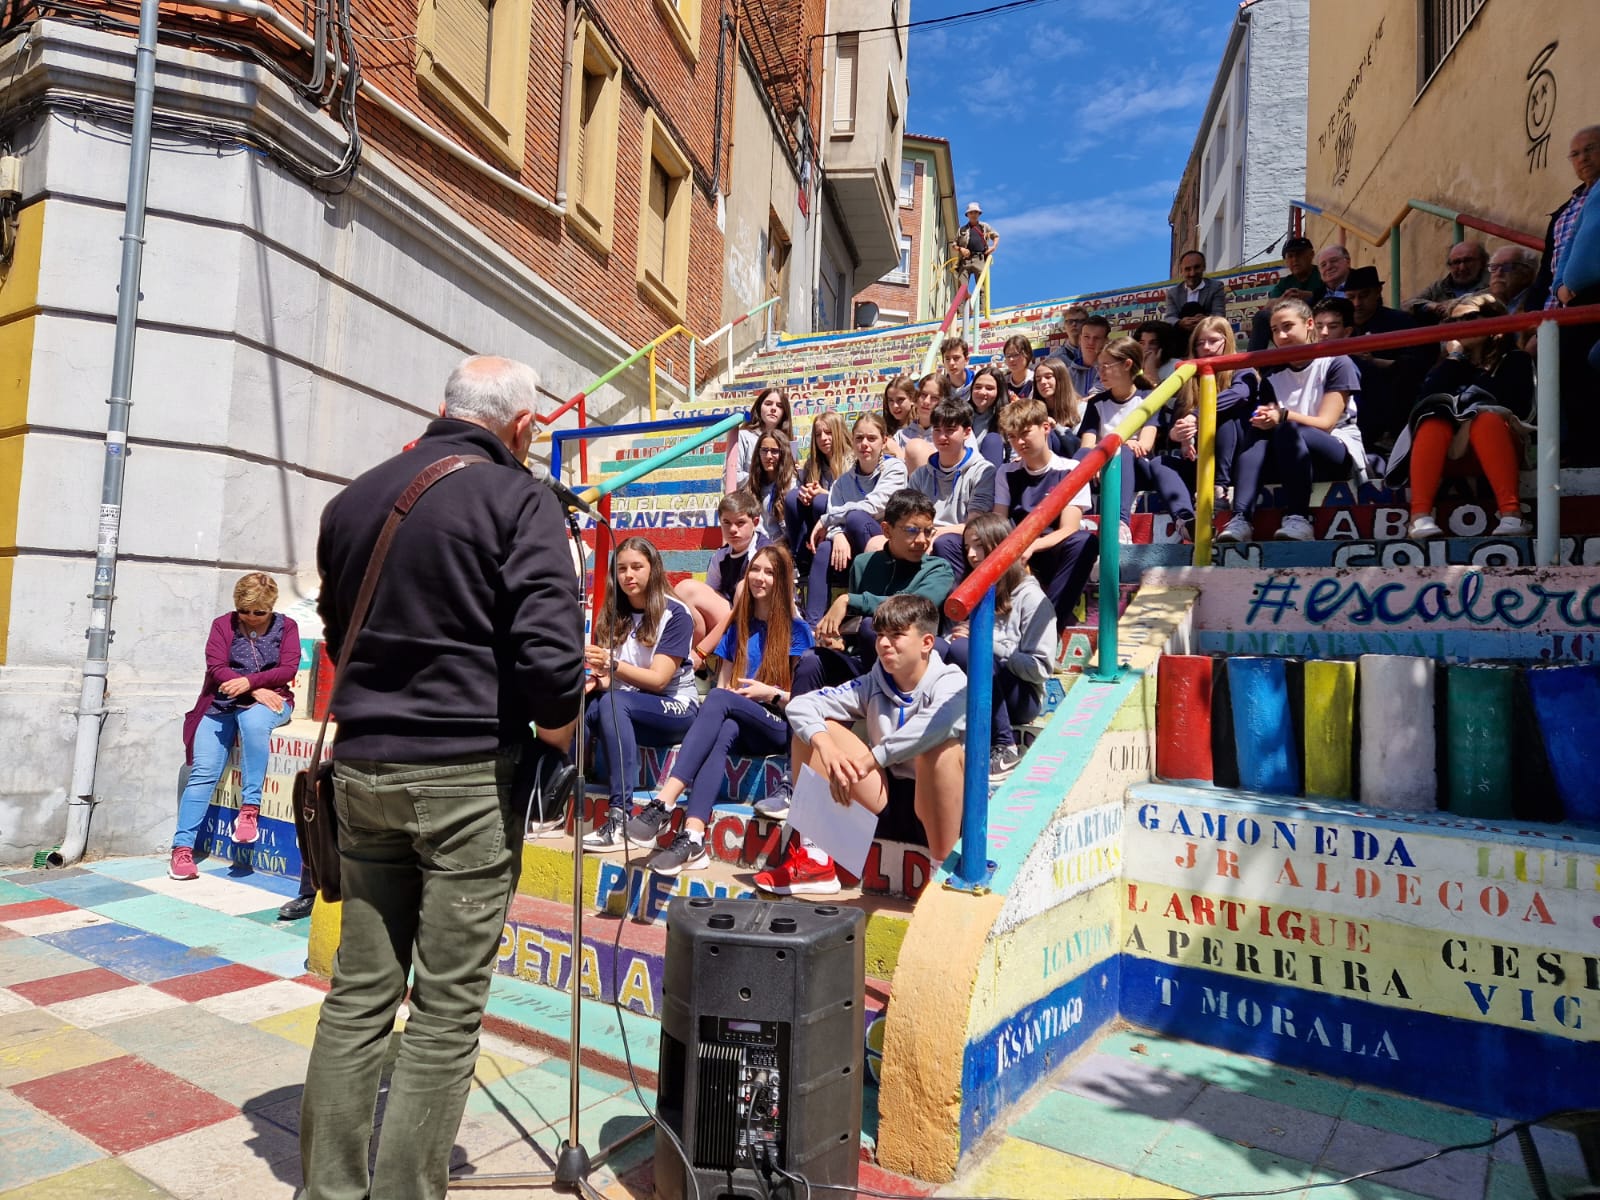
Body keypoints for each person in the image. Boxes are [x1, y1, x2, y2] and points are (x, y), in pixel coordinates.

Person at [301, 354, 583, 1200]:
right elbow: (550, 657)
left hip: (362, 766)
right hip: (463, 772)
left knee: (357, 994)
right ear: (523, 428)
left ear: (442, 409)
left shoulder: (352, 499)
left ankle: (327, 1190)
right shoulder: (519, 497)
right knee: (447, 1009)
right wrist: (560, 728)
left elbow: (336, 622)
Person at [757, 594, 966, 895]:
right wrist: (825, 746)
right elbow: (801, 706)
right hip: (884, 801)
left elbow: (935, 726)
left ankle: (940, 875)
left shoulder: (952, 682)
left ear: (927, 642)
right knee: (816, 731)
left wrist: (874, 758)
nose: (884, 644)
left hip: (938, 811)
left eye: (896, 636)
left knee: (939, 750)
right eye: (881, 635)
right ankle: (815, 859)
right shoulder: (874, 681)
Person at [627, 544, 815, 873]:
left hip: (778, 724)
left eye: (770, 572)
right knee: (722, 725)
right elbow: (726, 685)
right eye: (755, 569)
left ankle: (665, 800)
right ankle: (694, 836)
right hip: (741, 721)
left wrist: (767, 692)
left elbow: (801, 704)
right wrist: (737, 697)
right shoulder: (737, 629)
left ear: (782, 581)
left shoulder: (796, 631)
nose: (759, 577)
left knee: (717, 700)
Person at [170, 572, 299, 881]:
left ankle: (249, 811)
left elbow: (288, 668)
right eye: (245, 611)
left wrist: (251, 684)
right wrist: (251, 687)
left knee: (253, 722)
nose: (251, 618)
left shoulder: (287, 627)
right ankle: (181, 849)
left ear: (271, 608)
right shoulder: (222, 625)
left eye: (259, 612)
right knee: (203, 771)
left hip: (271, 702)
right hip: (221, 703)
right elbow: (216, 668)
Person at [580, 537, 702, 851]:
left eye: (637, 567)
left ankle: (620, 818)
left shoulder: (675, 613)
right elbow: (615, 678)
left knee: (613, 702)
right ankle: (557, 797)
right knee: (578, 702)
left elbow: (659, 680)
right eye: (621, 569)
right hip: (627, 703)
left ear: (653, 569)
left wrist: (612, 665)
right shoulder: (613, 612)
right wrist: (597, 681)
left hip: (675, 706)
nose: (628, 575)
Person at [1385, 293, 1534, 540]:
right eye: (1453, 322)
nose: (1460, 326)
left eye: (1470, 318)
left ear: (1494, 321)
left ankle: (1511, 514)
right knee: (1431, 420)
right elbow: (1424, 402)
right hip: (1449, 452)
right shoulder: (1451, 364)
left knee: (1486, 418)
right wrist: (1454, 358)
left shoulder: (1515, 360)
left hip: (1499, 447)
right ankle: (1419, 517)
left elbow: (1508, 402)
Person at [1218, 299, 1365, 544]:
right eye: (1275, 330)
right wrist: (1268, 419)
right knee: (1257, 429)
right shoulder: (1272, 376)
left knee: (1285, 427)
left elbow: (1327, 423)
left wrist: (1283, 415)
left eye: (1287, 326)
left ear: (1309, 325)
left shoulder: (1337, 362)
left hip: (1337, 449)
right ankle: (1241, 518)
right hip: (1291, 458)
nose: (1281, 335)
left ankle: (1299, 517)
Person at [796, 488, 956, 695]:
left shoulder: (938, 568)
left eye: (928, 531)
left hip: (915, 665)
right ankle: (797, 727)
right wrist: (838, 639)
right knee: (812, 660)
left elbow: (914, 607)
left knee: (873, 627)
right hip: (868, 664)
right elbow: (855, 626)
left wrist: (849, 599)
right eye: (912, 531)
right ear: (887, 531)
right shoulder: (864, 564)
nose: (922, 540)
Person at [945, 514, 1055, 779]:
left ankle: (1004, 746)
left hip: (1022, 694)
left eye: (979, 545)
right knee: (939, 648)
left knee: (966, 651)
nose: (972, 555)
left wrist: (986, 644)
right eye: (967, 547)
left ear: (999, 545)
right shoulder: (974, 591)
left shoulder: (1031, 598)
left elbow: (1040, 668)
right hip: (980, 688)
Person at [1077, 336, 1196, 544]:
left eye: (1106, 366)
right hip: (1100, 471)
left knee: (1123, 452)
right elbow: (1087, 445)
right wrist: (1100, 455)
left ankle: (1120, 523)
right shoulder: (1097, 403)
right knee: (1082, 455)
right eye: (1099, 366)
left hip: (1136, 468)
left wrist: (1117, 447)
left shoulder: (1148, 397)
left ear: (1127, 365)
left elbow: (1145, 445)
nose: (1100, 372)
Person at [994, 400, 1098, 628]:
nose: (1019, 442)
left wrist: (1033, 545)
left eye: (1025, 433)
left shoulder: (1070, 469)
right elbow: (999, 520)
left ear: (1045, 428)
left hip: (1051, 548)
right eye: (1012, 437)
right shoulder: (1006, 472)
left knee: (1084, 542)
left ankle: (1047, 622)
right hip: (1015, 549)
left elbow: (1069, 528)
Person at [805, 413, 908, 623]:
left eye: (872, 438)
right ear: (852, 441)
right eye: (859, 438)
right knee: (825, 548)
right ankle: (813, 625)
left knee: (856, 518)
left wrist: (828, 519)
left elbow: (875, 505)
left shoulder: (895, 469)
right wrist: (837, 535)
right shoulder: (841, 483)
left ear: (884, 441)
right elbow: (834, 518)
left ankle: (870, 609)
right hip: (851, 552)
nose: (865, 444)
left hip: (886, 551)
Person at [1167, 316, 1260, 513]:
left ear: (1227, 341)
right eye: (1200, 343)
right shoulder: (1189, 379)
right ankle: (1184, 518)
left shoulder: (1243, 368)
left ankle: (1219, 488)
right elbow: (1176, 423)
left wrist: (1197, 415)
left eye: (1213, 341)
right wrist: (1179, 434)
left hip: (1240, 457)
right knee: (1160, 463)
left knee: (1223, 415)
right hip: (1199, 458)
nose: (1207, 348)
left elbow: (1240, 394)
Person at [908, 397, 997, 577]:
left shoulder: (983, 471)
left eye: (950, 430)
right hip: (924, 536)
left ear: (967, 432)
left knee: (945, 542)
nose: (942, 437)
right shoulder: (920, 475)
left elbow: (974, 524)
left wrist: (934, 534)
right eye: (937, 430)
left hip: (961, 541)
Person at [677, 492, 768, 664]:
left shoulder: (763, 554)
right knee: (684, 591)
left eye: (740, 523)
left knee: (741, 589)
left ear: (755, 523)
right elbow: (708, 600)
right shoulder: (720, 556)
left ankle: (697, 659)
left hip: (762, 620)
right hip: (732, 618)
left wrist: (702, 650)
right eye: (726, 523)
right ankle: (694, 664)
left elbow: (742, 607)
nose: (733, 530)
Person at [1346, 264, 1427, 451]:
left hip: (1391, 400)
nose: (1357, 303)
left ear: (1377, 292)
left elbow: (1416, 364)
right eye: (1351, 297)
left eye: (1363, 295)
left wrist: (1374, 362)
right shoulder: (1341, 326)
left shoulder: (1400, 322)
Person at [1529, 125, 1600, 312]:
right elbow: (1549, 267)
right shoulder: (1564, 212)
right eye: (1575, 154)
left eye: (1590, 149)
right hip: (1556, 309)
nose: (1583, 158)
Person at [785, 411, 852, 568]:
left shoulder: (853, 461)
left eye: (828, 433)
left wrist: (826, 495)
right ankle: (801, 559)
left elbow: (855, 502)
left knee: (820, 501)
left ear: (839, 432)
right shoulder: (812, 466)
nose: (823, 438)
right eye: (818, 434)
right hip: (817, 521)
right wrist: (806, 495)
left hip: (845, 523)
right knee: (793, 497)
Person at [1250, 237, 1325, 350]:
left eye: (1299, 254)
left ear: (1311, 254)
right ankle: (1252, 363)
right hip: (1287, 327)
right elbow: (1268, 307)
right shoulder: (1285, 282)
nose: (1295, 260)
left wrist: (1308, 296)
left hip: (1317, 327)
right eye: (1290, 256)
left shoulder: (1322, 274)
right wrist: (1283, 299)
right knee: (1262, 317)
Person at [723, 387, 794, 491]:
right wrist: (766, 479)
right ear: (759, 407)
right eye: (768, 404)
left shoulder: (789, 442)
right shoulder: (743, 436)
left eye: (779, 406)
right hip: (749, 501)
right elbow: (730, 478)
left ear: (784, 413)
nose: (773, 408)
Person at [1405, 240, 1490, 323]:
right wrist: (1431, 306)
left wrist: (1455, 304)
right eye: (1456, 262)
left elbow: (1494, 295)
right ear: (1449, 266)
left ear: (1482, 262)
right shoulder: (1439, 287)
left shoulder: (1493, 281)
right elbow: (1407, 304)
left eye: (1468, 261)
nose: (1462, 267)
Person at [742, 429, 797, 546]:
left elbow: (794, 534)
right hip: (754, 547)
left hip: (778, 549)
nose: (768, 456)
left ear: (783, 453)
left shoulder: (792, 485)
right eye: (764, 450)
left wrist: (782, 520)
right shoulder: (752, 484)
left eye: (774, 451)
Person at [1164, 250, 1227, 335]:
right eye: (1187, 269)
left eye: (1196, 267)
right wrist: (1180, 322)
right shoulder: (1173, 293)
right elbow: (1169, 318)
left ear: (1204, 267)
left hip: (1207, 333)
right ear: (1181, 271)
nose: (1192, 273)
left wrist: (1205, 320)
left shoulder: (1216, 287)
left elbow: (1219, 315)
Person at [1032, 357, 1083, 457]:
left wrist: (1056, 427)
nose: (1042, 382)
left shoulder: (1081, 407)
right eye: (1038, 379)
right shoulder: (1033, 410)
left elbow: (1080, 447)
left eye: (1048, 377)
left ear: (1061, 378)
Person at [967, 363, 1010, 466]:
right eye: (978, 387)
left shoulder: (1008, 418)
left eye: (989, 388)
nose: (982, 392)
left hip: (993, 473)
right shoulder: (960, 414)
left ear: (999, 391)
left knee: (993, 440)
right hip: (962, 472)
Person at [951, 201, 999, 288]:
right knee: (962, 286)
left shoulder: (984, 227)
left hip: (979, 259)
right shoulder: (962, 230)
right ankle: (962, 301)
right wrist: (961, 249)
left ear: (979, 214)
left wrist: (994, 247)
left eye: (976, 212)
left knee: (982, 286)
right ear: (967, 215)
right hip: (965, 260)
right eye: (971, 213)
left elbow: (996, 236)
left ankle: (981, 302)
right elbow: (954, 244)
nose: (973, 215)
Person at [1487, 245, 1539, 313]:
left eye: (1507, 267)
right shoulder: (1477, 300)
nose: (1498, 273)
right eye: (1494, 267)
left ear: (1527, 275)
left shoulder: (1540, 302)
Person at [1071, 315, 1110, 398]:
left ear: (1106, 341)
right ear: (1079, 339)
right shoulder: (1068, 373)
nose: (1091, 342)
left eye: (1097, 338)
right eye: (1086, 337)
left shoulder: (1111, 370)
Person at [880, 373, 917, 461]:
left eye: (900, 400)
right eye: (891, 400)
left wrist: (896, 451)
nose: (895, 406)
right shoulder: (884, 430)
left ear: (912, 399)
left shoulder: (921, 427)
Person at [999, 334, 1035, 401]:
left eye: (1016, 355)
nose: (1011, 359)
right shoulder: (1002, 381)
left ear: (1027, 354)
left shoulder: (1035, 381)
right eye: (1008, 356)